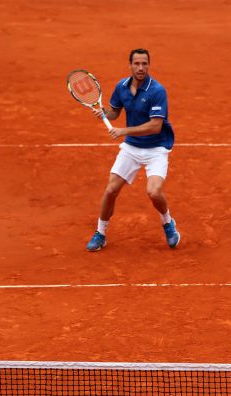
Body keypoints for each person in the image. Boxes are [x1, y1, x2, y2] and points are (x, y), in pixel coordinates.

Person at [85, 48, 180, 251]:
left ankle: (168, 223)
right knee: (111, 190)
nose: (140, 67)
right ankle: (100, 233)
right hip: (132, 148)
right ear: (130, 65)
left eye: (144, 63)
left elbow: (155, 126)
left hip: (156, 149)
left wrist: (123, 131)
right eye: (136, 63)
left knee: (154, 192)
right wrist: (104, 113)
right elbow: (114, 113)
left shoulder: (157, 91)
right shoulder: (122, 87)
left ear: (149, 65)